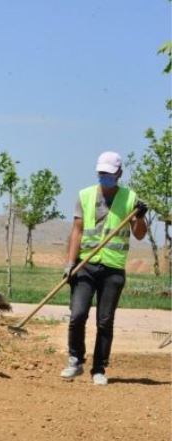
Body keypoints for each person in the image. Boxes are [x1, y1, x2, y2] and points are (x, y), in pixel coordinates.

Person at [60, 151, 147, 386]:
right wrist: (70, 263)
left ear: (119, 173)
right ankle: (75, 360)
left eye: (109, 174)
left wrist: (140, 216)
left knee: (104, 321)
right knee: (77, 315)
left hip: (113, 269)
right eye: (101, 173)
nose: (104, 177)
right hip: (85, 265)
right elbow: (77, 231)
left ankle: (99, 368)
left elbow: (139, 235)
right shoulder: (85, 196)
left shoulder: (130, 199)